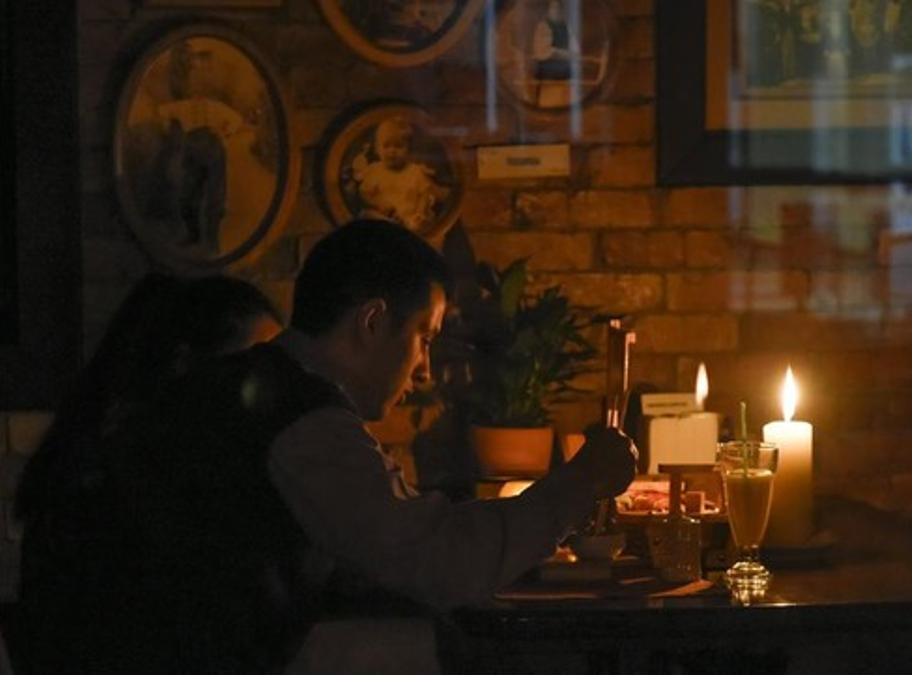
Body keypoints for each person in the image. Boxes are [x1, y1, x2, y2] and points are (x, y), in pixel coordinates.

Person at [68, 220, 637, 672]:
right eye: (424, 338)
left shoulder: (262, 384)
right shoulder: (300, 418)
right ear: (371, 321)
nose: (424, 369)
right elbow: (435, 561)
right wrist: (579, 483)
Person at [13, 273, 282, 673]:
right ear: (186, 365)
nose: (275, 392)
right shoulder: (124, 489)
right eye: (253, 368)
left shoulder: (117, 465)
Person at [351, 116, 450, 235]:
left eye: (398, 146)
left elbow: (424, 193)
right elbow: (365, 194)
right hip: (384, 217)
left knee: (423, 223)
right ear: (378, 149)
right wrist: (377, 203)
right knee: (366, 215)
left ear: (408, 149)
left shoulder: (415, 171)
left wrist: (420, 212)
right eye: (386, 146)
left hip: (409, 219)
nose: (392, 151)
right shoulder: (374, 170)